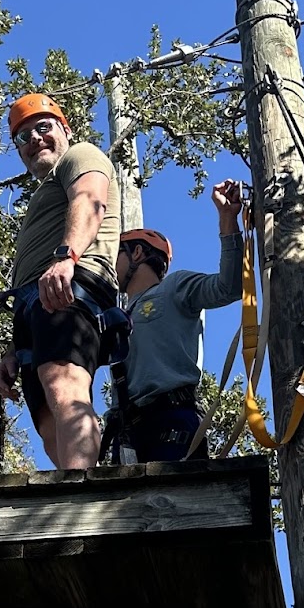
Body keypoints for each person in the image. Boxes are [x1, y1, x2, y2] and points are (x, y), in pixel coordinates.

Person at [0, 93, 121, 470]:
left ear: (64, 130)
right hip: (35, 301)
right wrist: (14, 349)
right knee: (47, 419)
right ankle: (77, 479)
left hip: (71, 283)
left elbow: (89, 199)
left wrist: (67, 257)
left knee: (64, 385)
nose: (34, 140)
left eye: (43, 128)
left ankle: (81, 498)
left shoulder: (80, 155)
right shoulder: (43, 194)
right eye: (23, 137)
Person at [108, 180, 243, 462]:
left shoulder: (175, 287)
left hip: (172, 420)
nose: (111, 264)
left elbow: (228, 287)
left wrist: (227, 219)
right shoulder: (117, 319)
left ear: (137, 253)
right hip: (129, 433)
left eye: (116, 254)